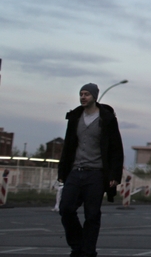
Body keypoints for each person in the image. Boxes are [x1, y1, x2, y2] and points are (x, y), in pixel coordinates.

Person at [58, 83, 124, 257]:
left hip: (96, 173)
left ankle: (87, 251)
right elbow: (68, 147)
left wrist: (114, 175)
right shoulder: (75, 117)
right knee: (65, 209)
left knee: (92, 215)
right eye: (81, 94)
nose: (83, 97)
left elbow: (116, 148)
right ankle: (77, 244)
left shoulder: (106, 119)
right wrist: (62, 172)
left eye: (86, 94)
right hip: (75, 170)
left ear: (94, 96)